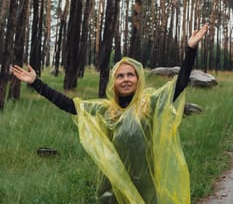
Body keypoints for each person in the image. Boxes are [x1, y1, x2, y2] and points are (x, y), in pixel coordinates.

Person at [11, 23, 209, 204]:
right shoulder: (106, 109)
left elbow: (180, 83)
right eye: (120, 76)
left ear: (138, 79)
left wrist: (190, 49)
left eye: (130, 75)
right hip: (113, 183)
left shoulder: (149, 104)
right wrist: (37, 83)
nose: (125, 80)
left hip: (146, 182)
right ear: (114, 82)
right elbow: (70, 105)